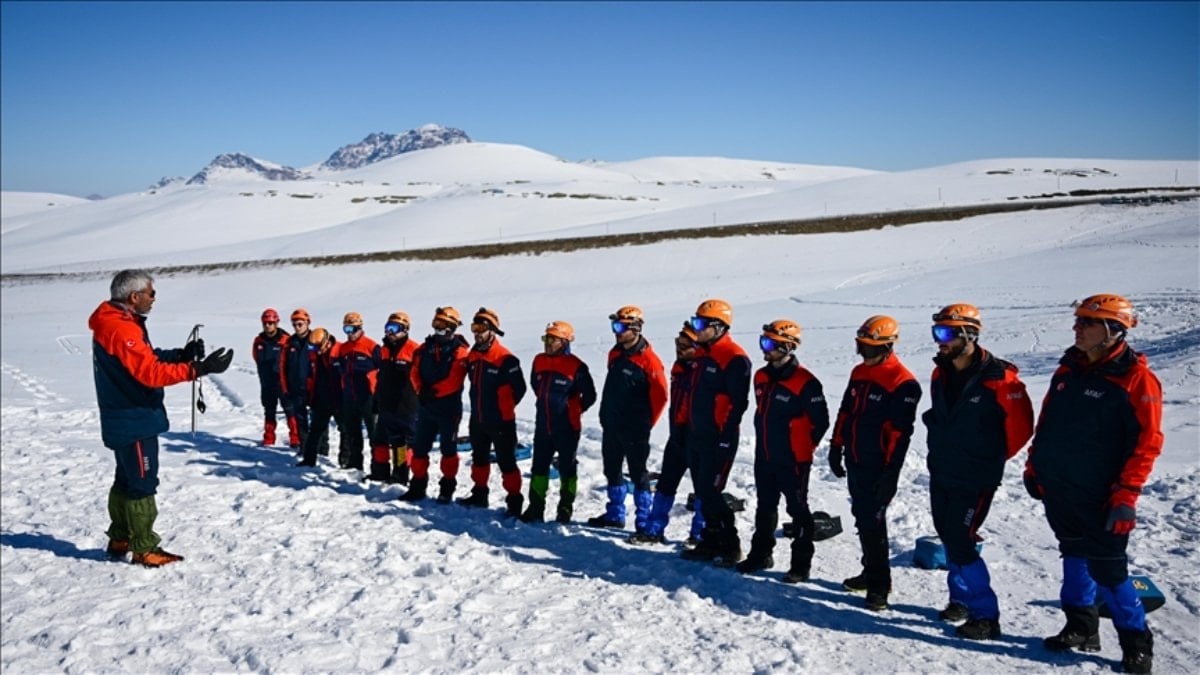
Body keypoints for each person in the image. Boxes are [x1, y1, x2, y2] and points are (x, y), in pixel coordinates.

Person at [1023, 294, 1162, 674]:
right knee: (1073, 557)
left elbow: (1147, 443)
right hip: (1062, 488)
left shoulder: (1136, 379)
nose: (1077, 329)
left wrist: (1127, 494)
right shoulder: (1068, 370)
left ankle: (1136, 644)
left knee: (1110, 573)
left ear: (1113, 330)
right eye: (1078, 321)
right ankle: (1081, 627)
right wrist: (1036, 466)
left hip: (1104, 497)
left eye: (1087, 323)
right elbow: (1048, 424)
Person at [89, 269, 233, 567]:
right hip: (133, 417)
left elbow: (146, 357)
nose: (154, 299)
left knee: (126, 478)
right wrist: (197, 369)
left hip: (123, 415)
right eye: (151, 293)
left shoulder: (118, 322)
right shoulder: (122, 329)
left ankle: (120, 537)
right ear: (134, 296)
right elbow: (150, 373)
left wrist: (182, 354)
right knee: (142, 481)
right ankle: (143, 547)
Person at [923, 302, 1033, 640]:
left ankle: (986, 614)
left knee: (960, 538)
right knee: (949, 535)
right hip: (942, 469)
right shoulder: (941, 372)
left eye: (945, 333)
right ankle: (961, 600)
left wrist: (985, 458)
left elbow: (1021, 430)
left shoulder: (1000, 379)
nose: (939, 341)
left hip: (975, 477)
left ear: (969, 334)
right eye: (936, 332)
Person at [829, 315, 922, 611]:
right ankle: (870, 571)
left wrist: (890, 474)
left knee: (874, 522)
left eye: (869, 349)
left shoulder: (902, 382)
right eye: (860, 347)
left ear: (887, 347)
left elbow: (900, 435)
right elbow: (846, 411)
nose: (863, 354)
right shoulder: (858, 373)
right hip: (855, 458)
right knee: (862, 518)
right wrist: (836, 446)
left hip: (878, 465)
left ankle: (880, 585)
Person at [737, 320, 830, 581]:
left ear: (788, 347)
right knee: (765, 508)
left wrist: (801, 445)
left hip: (793, 460)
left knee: (798, 510)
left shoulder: (806, 382)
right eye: (762, 342)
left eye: (769, 344)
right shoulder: (761, 376)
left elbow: (820, 422)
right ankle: (760, 555)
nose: (764, 349)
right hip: (765, 456)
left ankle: (800, 565)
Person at [681, 299, 752, 566]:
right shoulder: (703, 354)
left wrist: (724, 435)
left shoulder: (734, 358)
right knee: (702, 492)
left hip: (719, 438)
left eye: (700, 324)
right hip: (697, 434)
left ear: (718, 326)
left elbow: (738, 403)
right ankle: (710, 542)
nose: (696, 329)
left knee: (712, 493)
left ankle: (731, 546)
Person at [589, 306, 668, 533]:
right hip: (612, 424)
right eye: (615, 326)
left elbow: (661, 396)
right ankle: (615, 514)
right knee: (611, 469)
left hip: (635, 428)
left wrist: (645, 423)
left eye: (621, 327)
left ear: (635, 328)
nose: (616, 332)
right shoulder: (615, 354)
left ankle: (643, 520)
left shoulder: (649, 361)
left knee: (638, 473)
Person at [631, 321, 706, 546]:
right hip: (677, 436)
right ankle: (654, 530)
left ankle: (699, 535)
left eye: (685, 345)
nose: (679, 349)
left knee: (702, 488)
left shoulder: (705, 371)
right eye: (678, 343)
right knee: (665, 484)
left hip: (699, 438)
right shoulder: (678, 367)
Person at [521, 321, 597, 523]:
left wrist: (574, 409)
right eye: (546, 339)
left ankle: (565, 508)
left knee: (567, 468)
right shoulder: (538, 361)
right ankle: (535, 507)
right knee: (539, 467)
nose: (547, 343)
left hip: (567, 427)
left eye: (552, 340)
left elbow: (590, 395)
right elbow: (535, 385)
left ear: (564, 342)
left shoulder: (577, 366)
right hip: (543, 425)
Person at [459, 307, 527, 516]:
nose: (477, 333)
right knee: (479, 459)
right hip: (478, 419)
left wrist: (503, 405)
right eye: (474, 328)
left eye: (481, 328)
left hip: (501, 421)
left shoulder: (505, 359)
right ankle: (480, 494)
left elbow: (521, 389)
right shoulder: (473, 355)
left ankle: (514, 502)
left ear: (493, 331)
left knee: (507, 463)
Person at [401, 306, 471, 503]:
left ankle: (447, 488)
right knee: (419, 448)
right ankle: (418, 485)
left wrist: (432, 393)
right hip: (426, 407)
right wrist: (420, 390)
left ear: (452, 328)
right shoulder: (425, 348)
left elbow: (454, 379)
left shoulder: (460, 351)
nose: (438, 330)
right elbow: (414, 370)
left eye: (443, 326)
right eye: (436, 324)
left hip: (448, 409)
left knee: (448, 450)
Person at [370, 312, 419, 484]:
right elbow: (381, 376)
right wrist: (376, 399)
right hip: (386, 404)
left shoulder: (414, 350)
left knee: (400, 443)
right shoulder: (384, 350)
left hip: (405, 406)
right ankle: (379, 473)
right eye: (387, 328)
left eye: (394, 328)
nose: (390, 332)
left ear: (405, 330)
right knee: (379, 440)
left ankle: (400, 475)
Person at [331, 311, 378, 472]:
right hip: (349, 396)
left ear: (360, 328)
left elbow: (382, 370)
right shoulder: (343, 349)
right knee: (352, 431)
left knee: (374, 433)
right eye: (346, 330)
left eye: (352, 330)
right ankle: (354, 463)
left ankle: (377, 466)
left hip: (368, 397)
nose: (350, 334)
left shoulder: (371, 347)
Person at [298, 327, 338, 467]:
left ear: (326, 342)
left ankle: (348, 462)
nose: (315, 350)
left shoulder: (339, 353)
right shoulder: (314, 356)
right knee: (315, 431)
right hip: (321, 399)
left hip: (339, 399)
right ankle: (309, 460)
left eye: (317, 346)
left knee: (346, 431)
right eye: (312, 347)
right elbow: (310, 376)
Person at [252, 308, 290, 446]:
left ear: (276, 323)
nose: (268, 325)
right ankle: (269, 437)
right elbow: (256, 357)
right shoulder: (259, 341)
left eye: (270, 323)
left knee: (289, 409)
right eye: (265, 323)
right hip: (267, 382)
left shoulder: (285, 340)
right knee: (269, 410)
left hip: (283, 382)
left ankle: (296, 438)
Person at [280, 308, 314, 451]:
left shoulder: (316, 339)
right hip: (296, 387)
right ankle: (305, 448)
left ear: (307, 323)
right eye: (295, 324)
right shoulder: (289, 343)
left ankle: (321, 449)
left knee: (318, 420)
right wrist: (285, 387)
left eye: (300, 324)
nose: (297, 327)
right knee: (300, 420)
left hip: (314, 387)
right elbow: (282, 366)